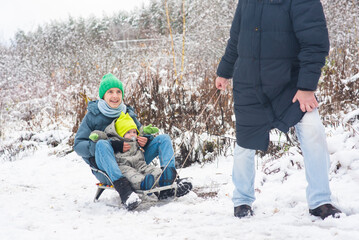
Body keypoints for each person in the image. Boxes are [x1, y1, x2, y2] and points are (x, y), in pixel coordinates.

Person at [215, 0, 341, 219]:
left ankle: (320, 201)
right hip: (249, 84)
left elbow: (314, 42)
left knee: (313, 130)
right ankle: (242, 201)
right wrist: (225, 71)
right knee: (244, 143)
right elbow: (236, 37)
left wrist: (306, 87)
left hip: (290, 85)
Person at [74, 73, 192, 210]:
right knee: (102, 143)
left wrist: (146, 141)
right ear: (103, 95)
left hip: (135, 160)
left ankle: (169, 181)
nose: (115, 96)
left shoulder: (127, 112)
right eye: (110, 92)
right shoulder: (92, 116)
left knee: (163, 139)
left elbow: (140, 132)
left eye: (118, 92)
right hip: (108, 168)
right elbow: (78, 146)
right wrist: (111, 146)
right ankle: (125, 190)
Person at [88, 111, 162, 191]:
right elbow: (104, 137)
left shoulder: (136, 140)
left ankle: (162, 179)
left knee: (153, 170)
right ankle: (143, 183)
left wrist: (146, 132)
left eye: (134, 132)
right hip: (124, 167)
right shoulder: (114, 141)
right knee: (132, 176)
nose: (132, 134)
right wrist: (97, 135)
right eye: (128, 132)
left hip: (140, 164)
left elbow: (141, 133)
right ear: (120, 133)